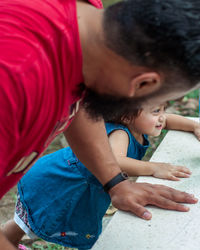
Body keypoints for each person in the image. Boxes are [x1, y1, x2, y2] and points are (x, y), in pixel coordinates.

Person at [1, 0, 200, 248]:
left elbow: (80, 92)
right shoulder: (13, 91)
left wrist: (115, 182)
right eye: (158, 104)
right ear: (142, 84)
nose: (161, 114)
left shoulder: (87, 22)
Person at [2, 104, 200, 249]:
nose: (162, 117)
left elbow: (168, 120)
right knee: (31, 221)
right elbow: (116, 160)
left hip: (80, 183)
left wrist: (193, 126)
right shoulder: (121, 133)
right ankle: (6, 239)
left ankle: (8, 239)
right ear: (127, 116)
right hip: (64, 184)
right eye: (156, 111)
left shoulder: (138, 122)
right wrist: (153, 168)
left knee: (27, 220)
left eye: (163, 109)